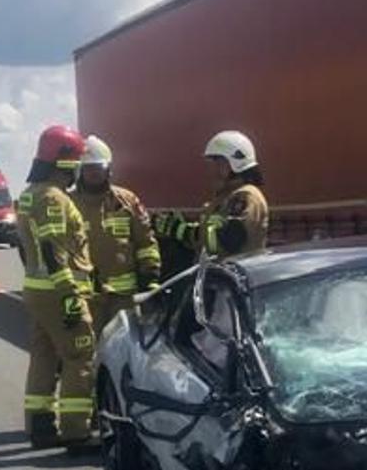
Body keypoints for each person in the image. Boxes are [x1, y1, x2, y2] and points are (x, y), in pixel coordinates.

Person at [14, 125, 97, 450]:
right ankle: (76, 432)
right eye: (75, 161)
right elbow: (52, 250)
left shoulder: (29, 195)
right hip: (58, 291)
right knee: (80, 355)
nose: (78, 168)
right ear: (63, 161)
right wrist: (70, 298)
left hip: (37, 290)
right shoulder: (52, 198)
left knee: (44, 356)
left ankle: (40, 426)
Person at [71, 135, 162, 335]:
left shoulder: (127, 201)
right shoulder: (69, 205)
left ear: (108, 169)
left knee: (121, 352)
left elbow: (146, 242)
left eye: (99, 168)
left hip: (123, 299)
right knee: (85, 356)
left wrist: (150, 278)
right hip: (85, 298)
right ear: (80, 171)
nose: (94, 174)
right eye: (89, 169)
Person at [158, 130, 270, 264]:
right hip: (219, 276)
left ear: (236, 163)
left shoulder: (246, 196)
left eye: (219, 164)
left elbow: (228, 240)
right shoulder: (225, 197)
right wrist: (183, 226)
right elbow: (211, 232)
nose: (213, 170)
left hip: (237, 278)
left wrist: (181, 230)